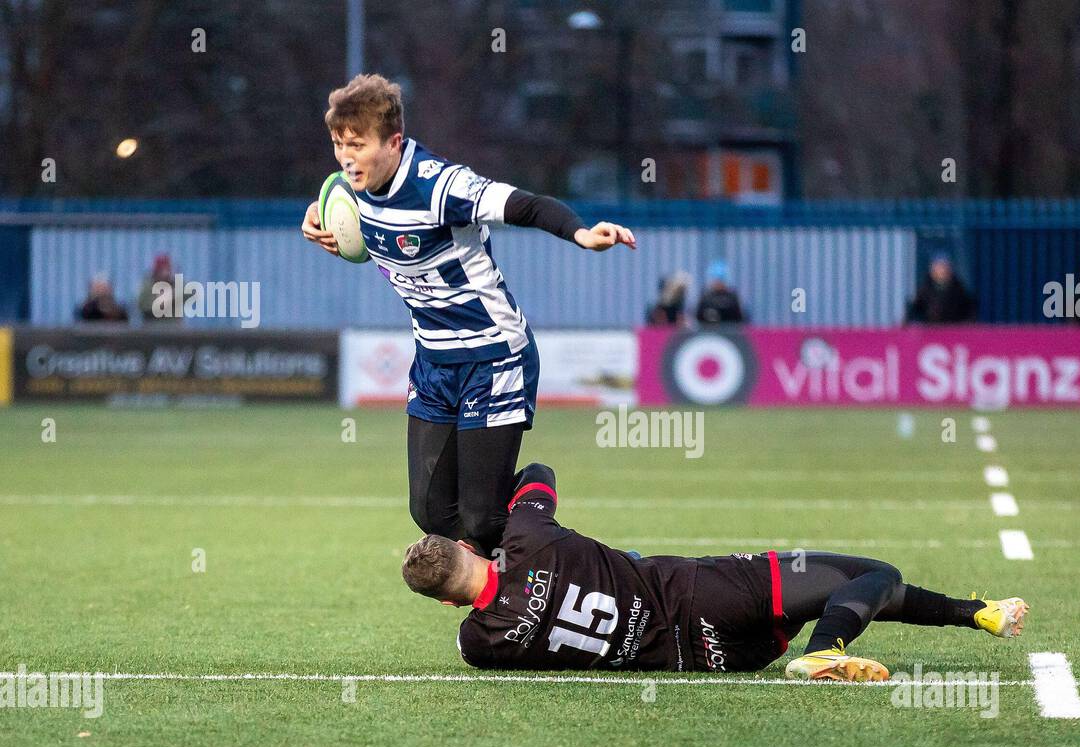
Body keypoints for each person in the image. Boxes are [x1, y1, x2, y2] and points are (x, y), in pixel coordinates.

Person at [300, 74, 636, 558]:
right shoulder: (350, 187)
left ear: (393, 142)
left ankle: (568, 540)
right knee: (431, 513)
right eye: (338, 145)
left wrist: (582, 234)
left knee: (481, 519)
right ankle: (519, 544)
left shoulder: (443, 186)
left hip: (494, 357)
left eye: (357, 144)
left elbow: (528, 206)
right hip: (434, 363)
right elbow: (333, 205)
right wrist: (313, 218)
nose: (346, 157)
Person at [401, 462, 1028, 681]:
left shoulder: (479, 645)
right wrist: (487, 523)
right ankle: (829, 648)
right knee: (870, 574)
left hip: (708, 659)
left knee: (830, 595)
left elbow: (487, 613)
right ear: (472, 548)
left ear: (446, 605)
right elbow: (537, 473)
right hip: (704, 593)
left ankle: (977, 612)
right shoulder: (530, 538)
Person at [906, 252, 977, 324]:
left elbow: (969, 312)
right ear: (932, 270)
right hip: (931, 331)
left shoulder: (959, 289)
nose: (941, 271)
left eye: (944, 267)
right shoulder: (924, 290)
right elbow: (914, 313)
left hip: (953, 331)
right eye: (938, 268)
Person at [137, 254, 192, 322]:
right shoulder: (148, 287)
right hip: (152, 328)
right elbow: (144, 305)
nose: (165, 273)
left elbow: (190, 292)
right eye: (162, 270)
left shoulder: (176, 285)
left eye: (167, 269)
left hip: (174, 329)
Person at [695, 260, 745, 324]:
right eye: (716, 280)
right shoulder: (705, 297)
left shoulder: (732, 297)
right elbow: (698, 317)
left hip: (729, 332)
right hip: (708, 332)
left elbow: (739, 318)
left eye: (721, 280)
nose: (718, 282)